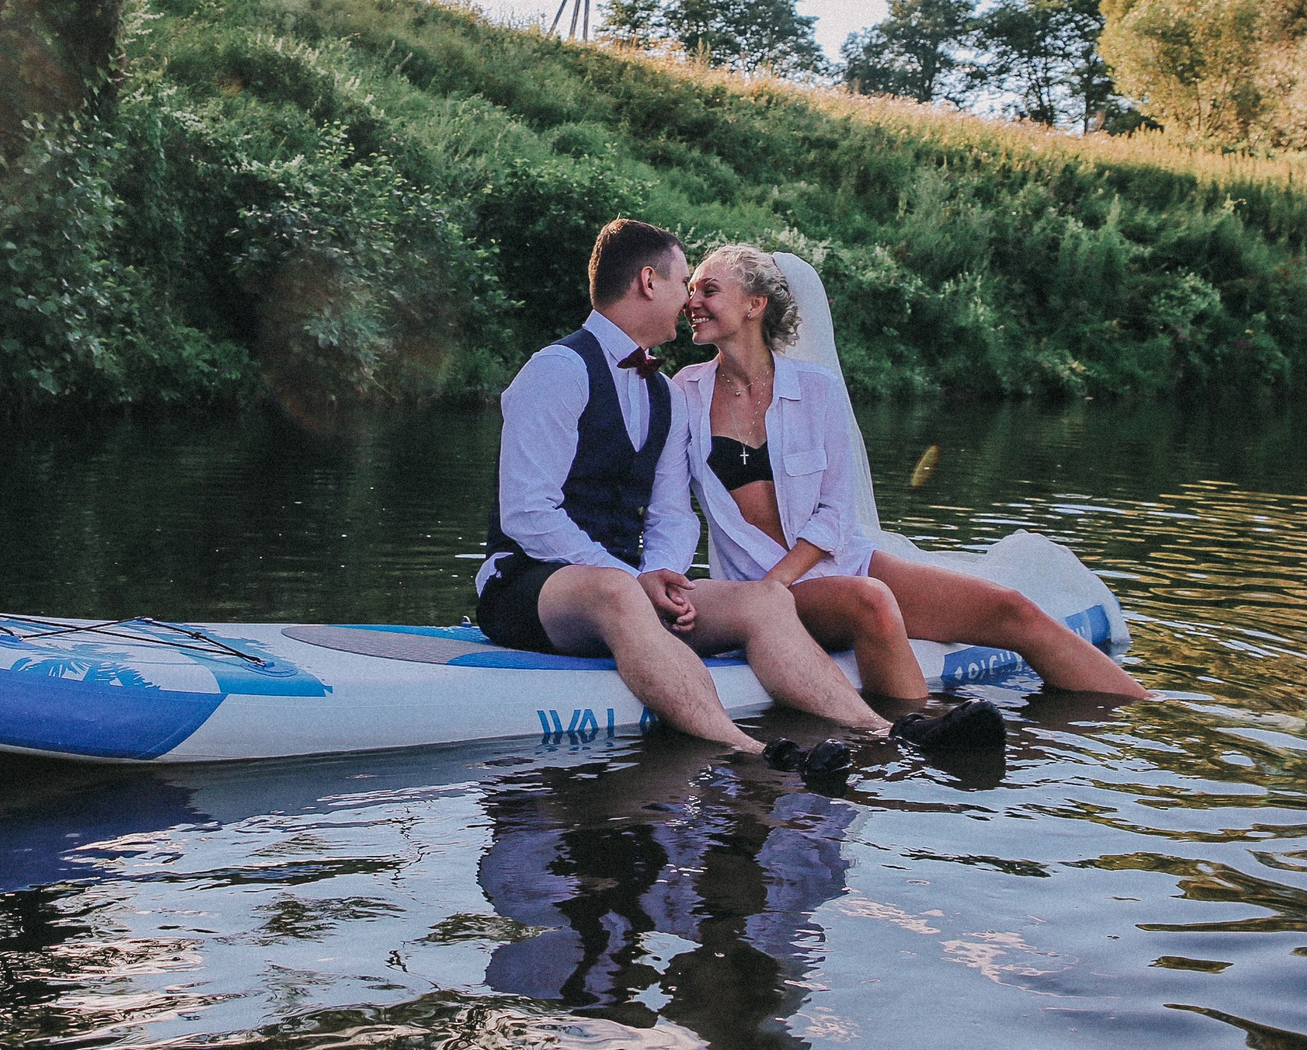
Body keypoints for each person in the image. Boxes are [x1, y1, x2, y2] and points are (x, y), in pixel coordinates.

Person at [474, 219, 903, 773]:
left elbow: (674, 517)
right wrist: (633, 581)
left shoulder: (664, 393)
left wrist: (665, 576)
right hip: (528, 584)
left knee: (767, 599)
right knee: (615, 592)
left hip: (632, 587)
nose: (688, 302)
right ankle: (750, 748)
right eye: (683, 283)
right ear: (649, 282)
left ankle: (883, 731)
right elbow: (528, 515)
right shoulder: (557, 370)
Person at [674, 243, 1148, 717]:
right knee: (871, 601)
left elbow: (837, 511)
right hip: (756, 588)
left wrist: (779, 581)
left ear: (755, 305)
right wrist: (753, 590)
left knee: (1011, 609)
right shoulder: (684, 395)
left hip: (830, 565)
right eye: (690, 290)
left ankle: (1146, 711)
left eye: (708, 290)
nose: (691, 301)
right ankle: (916, 744)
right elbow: (667, 504)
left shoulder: (817, 389)